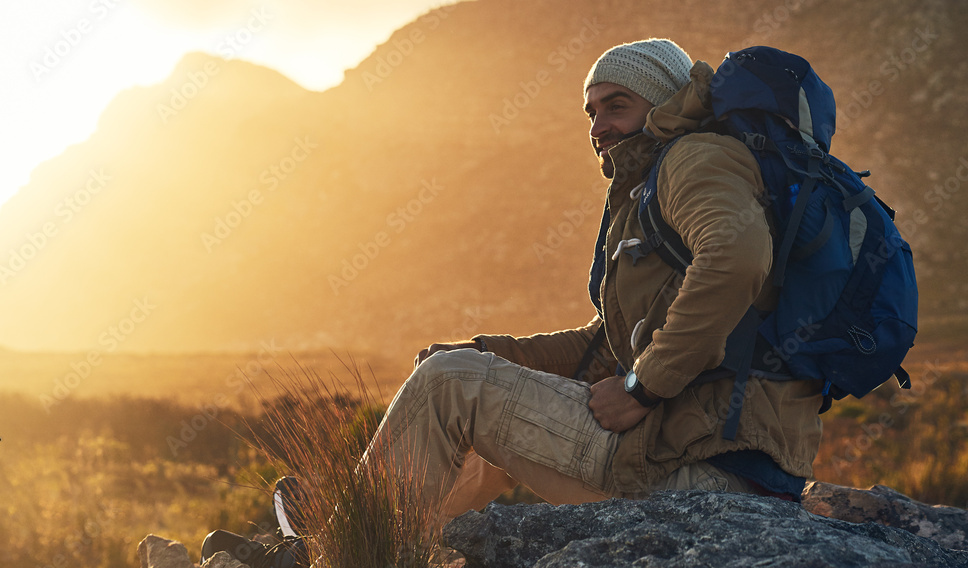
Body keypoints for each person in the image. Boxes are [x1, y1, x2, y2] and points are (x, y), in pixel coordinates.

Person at [204, 38, 824, 566]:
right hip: (694, 457)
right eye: (590, 111)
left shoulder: (695, 159)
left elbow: (737, 260)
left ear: (661, 102)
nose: (598, 125)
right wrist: (489, 353)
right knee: (465, 394)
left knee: (452, 386)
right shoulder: (651, 185)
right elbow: (607, 344)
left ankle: (342, 546)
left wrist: (643, 388)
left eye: (617, 106)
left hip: (707, 473)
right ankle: (358, 537)